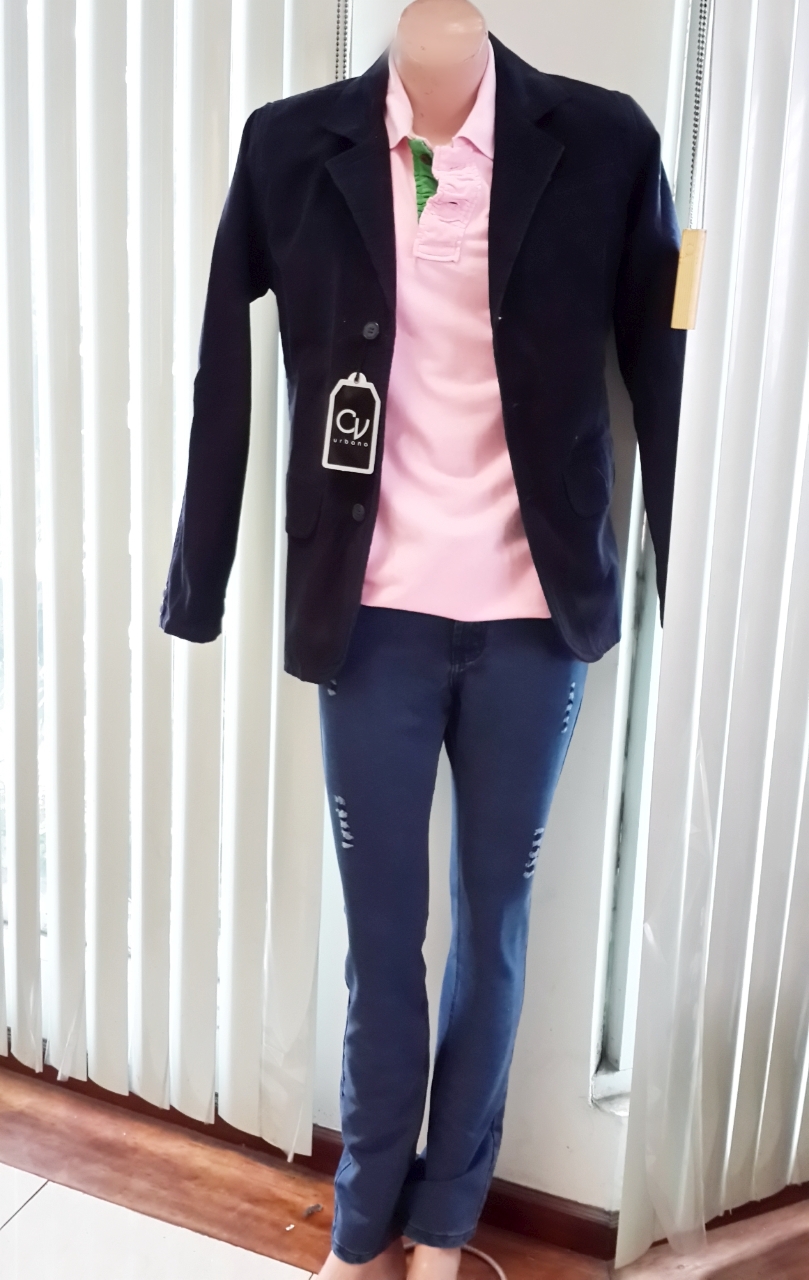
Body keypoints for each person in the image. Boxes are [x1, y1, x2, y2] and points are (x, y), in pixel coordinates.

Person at [159, 3, 687, 1276]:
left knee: (491, 930)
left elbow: (665, 373)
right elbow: (222, 363)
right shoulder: (292, 147)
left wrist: (701, 591)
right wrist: (199, 574)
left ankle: (444, 1227)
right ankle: (360, 1230)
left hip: (531, 627)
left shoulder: (605, 144)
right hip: (371, 625)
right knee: (381, 948)